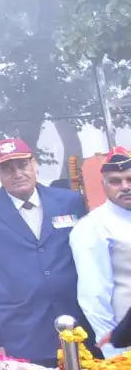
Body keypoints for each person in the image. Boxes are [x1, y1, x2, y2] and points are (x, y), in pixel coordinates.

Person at [0, 137, 93, 364]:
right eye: (7, 168)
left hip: (79, 326)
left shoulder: (71, 202)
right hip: (23, 334)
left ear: (34, 164)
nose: (17, 174)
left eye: (22, 165)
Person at [71, 146, 131, 357]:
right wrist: (114, 353)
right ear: (103, 185)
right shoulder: (93, 226)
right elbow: (94, 296)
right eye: (115, 181)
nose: (125, 186)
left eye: (130, 179)